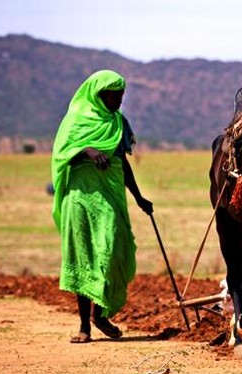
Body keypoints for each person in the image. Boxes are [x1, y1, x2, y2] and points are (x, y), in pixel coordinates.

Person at [51, 69, 153, 343]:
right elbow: (62, 155)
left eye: (122, 95)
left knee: (110, 254)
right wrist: (87, 151)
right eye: (114, 95)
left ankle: (100, 315)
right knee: (84, 257)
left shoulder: (119, 123)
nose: (120, 100)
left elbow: (123, 163)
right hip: (81, 198)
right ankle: (84, 325)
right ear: (98, 94)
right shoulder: (75, 121)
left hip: (110, 197)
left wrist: (139, 197)